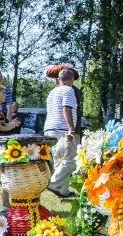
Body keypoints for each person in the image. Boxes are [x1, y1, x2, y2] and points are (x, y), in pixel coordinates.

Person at [43, 69, 79, 199]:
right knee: (72, 160)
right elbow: (66, 108)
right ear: (72, 79)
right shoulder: (69, 90)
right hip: (62, 130)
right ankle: (53, 183)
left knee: (59, 161)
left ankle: (63, 191)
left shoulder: (52, 92)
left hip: (49, 129)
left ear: (59, 79)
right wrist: (71, 129)